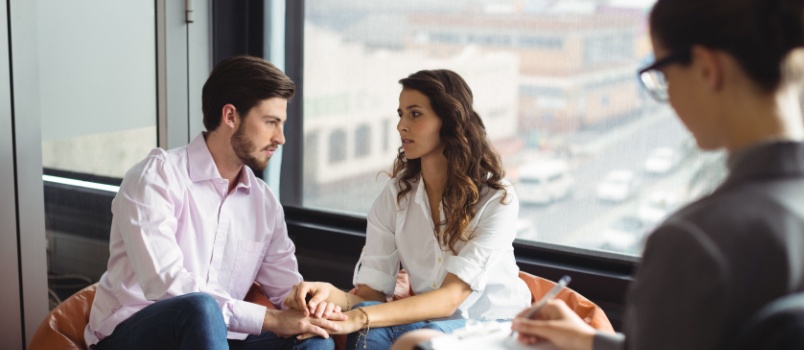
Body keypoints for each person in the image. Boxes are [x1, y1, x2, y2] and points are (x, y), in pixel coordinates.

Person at [507, 0, 804, 349]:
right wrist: (591, 341)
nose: (669, 97)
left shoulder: (697, 239)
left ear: (707, 68)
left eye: (664, 75)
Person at [84, 56, 344, 350]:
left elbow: (284, 288)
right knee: (201, 308)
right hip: (134, 335)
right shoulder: (156, 178)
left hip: (219, 337)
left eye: (281, 124)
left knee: (314, 341)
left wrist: (309, 307)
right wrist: (270, 320)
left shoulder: (264, 202)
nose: (281, 138)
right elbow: (166, 285)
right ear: (230, 116)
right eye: (271, 122)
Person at [284, 69, 531, 349]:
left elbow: (450, 297)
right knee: (368, 330)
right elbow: (373, 294)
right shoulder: (396, 196)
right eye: (401, 114)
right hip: (430, 323)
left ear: (449, 120)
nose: (401, 125)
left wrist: (359, 316)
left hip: (494, 323)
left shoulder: (496, 198)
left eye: (415, 114)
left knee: (402, 333)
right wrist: (330, 294)